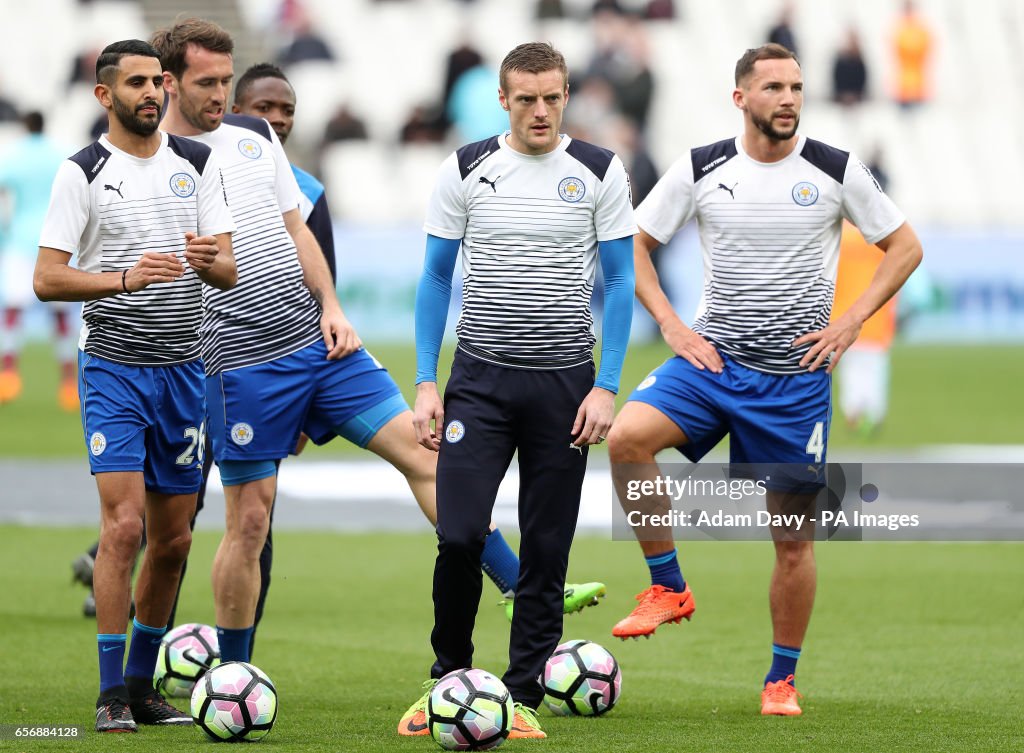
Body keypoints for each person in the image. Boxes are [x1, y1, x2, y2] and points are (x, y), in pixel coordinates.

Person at [151, 21, 607, 668]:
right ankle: (231, 670)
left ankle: (512, 586)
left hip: (323, 348)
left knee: (428, 456)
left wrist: (333, 307)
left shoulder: (254, 139)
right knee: (244, 521)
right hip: (242, 366)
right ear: (171, 84)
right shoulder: (152, 158)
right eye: (210, 83)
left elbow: (297, 229)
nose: (227, 96)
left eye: (229, 81)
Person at [606, 44, 922, 716]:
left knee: (792, 542)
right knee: (626, 437)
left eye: (797, 87)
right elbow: (631, 243)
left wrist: (852, 321)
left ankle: (781, 679)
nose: (788, 98)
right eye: (773, 86)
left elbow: (906, 246)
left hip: (793, 382)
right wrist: (669, 322)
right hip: (710, 364)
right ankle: (668, 585)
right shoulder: (701, 166)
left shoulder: (835, 169)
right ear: (741, 97)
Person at [398, 42, 636, 740]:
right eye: (526, 98)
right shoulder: (467, 168)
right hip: (480, 382)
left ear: (567, 97)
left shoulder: (597, 170)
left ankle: (522, 692)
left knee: (546, 547)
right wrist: (424, 380)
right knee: (460, 533)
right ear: (503, 99)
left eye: (553, 97)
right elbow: (436, 277)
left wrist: (607, 385)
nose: (540, 110)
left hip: (565, 386)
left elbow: (621, 282)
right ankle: (446, 678)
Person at [34, 39, 236, 732]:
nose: (153, 93)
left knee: (173, 540)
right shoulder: (82, 171)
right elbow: (47, 277)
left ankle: (145, 685)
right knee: (123, 528)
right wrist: (125, 277)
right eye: (138, 83)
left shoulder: (199, 163)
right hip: (114, 368)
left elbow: (228, 270)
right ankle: (109, 690)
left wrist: (212, 264)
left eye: (159, 81)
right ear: (104, 95)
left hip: (183, 370)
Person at [0, 112, 78, 409]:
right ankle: (69, 384)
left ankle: (8, 376)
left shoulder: (14, 155)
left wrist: (4, 231)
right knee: (59, 314)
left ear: (24, 126)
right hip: (55, 241)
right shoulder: (60, 154)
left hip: (20, 239)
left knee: (12, 310)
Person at [832, 221, 899, 437]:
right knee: (873, 371)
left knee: (850, 372)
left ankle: (854, 415)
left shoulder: (839, 237)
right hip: (875, 317)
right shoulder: (885, 237)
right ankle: (873, 416)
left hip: (842, 318)